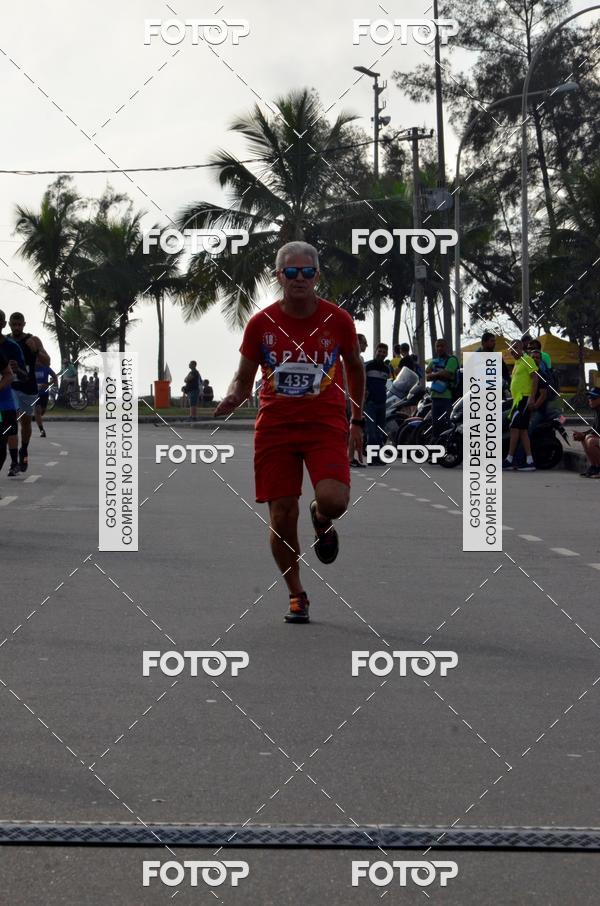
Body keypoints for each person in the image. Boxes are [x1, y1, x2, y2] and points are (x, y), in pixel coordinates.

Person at [214, 240, 365, 624]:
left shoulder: (339, 321)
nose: (300, 279)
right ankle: (297, 593)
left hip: (324, 424)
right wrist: (233, 396)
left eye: (308, 272)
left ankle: (321, 516)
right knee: (281, 517)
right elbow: (244, 379)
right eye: (292, 272)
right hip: (276, 428)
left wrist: (357, 421)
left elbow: (355, 369)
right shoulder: (260, 324)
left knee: (334, 500)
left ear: (317, 275)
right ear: (278, 275)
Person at [8, 312, 50, 473]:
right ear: (9, 325)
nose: (17, 327)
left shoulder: (33, 339)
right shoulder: (5, 340)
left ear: (24, 324)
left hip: (28, 387)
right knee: (11, 420)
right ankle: (13, 462)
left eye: (19, 324)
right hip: (11, 387)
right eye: (14, 324)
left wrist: (37, 351)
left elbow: (47, 362)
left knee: (25, 422)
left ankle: (23, 450)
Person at [503, 339, 538, 471]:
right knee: (522, 431)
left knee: (514, 428)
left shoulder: (527, 360)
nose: (513, 350)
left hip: (524, 399)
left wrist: (532, 398)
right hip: (517, 400)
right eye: (511, 348)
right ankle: (530, 461)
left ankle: (510, 459)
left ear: (522, 348)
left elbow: (535, 377)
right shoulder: (517, 363)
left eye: (516, 347)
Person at [0, 312, 26, 478]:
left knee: (7, 436)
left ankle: (15, 461)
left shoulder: (11, 346)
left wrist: (17, 370)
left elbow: (25, 374)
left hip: (9, 398)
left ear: (2, 324)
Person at [425, 338, 459, 438]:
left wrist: (434, 374)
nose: (439, 348)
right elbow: (427, 375)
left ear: (446, 347)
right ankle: (437, 448)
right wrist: (439, 373)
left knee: (447, 425)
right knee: (436, 425)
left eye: (442, 346)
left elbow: (447, 374)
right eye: (437, 346)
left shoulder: (452, 359)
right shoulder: (434, 361)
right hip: (435, 397)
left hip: (447, 398)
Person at [364, 343, 391, 459]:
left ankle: (378, 457)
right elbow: (362, 382)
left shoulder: (387, 369)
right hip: (370, 403)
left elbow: (385, 384)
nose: (381, 354)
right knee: (371, 432)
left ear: (386, 354)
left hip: (382, 403)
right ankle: (372, 458)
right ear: (375, 351)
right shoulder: (368, 366)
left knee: (380, 432)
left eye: (384, 352)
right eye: (379, 351)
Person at [574, 387, 600, 478]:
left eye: (593, 398)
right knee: (584, 438)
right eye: (589, 398)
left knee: (591, 440)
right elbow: (595, 429)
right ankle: (595, 467)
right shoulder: (597, 411)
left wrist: (585, 434)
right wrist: (582, 434)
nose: (590, 400)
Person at [527, 347, 548, 438]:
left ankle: (523, 452)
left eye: (537, 358)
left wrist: (534, 408)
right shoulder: (526, 373)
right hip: (525, 408)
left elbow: (543, 395)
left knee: (527, 431)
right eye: (533, 357)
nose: (535, 359)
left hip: (537, 410)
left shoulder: (542, 375)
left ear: (540, 360)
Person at [34, 358, 58, 437]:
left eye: (38, 360)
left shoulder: (46, 368)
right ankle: (42, 430)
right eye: (36, 360)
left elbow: (55, 377)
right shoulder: (31, 368)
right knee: (37, 410)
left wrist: (47, 384)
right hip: (35, 394)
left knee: (42, 411)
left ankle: (38, 417)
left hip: (44, 393)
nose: (37, 362)